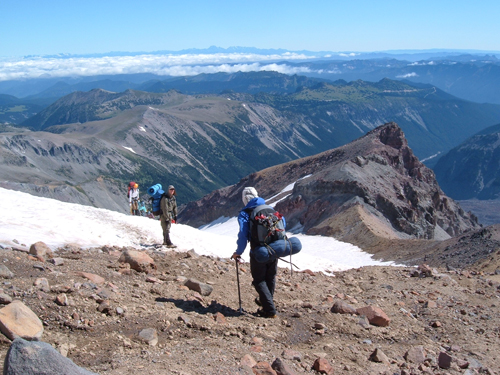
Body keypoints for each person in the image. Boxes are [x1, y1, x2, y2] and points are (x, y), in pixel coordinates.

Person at [231, 187, 278, 318]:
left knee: (259, 280)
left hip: (258, 250)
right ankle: (266, 303)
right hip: (274, 249)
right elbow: (282, 224)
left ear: (245, 199)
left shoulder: (246, 213)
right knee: (270, 277)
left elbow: (243, 234)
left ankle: (269, 309)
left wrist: (238, 252)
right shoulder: (270, 209)